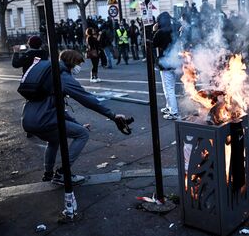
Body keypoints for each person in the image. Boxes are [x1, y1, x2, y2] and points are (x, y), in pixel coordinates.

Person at [22, 50, 130, 184]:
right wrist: (112, 115)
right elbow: (87, 99)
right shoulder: (63, 77)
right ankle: (63, 173)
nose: (79, 67)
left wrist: (76, 124)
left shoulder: (51, 72)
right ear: (72, 62)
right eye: (79, 63)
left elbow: (58, 109)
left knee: (54, 139)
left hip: (29, 119)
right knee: (82, 134)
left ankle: (48, 174)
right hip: (44, 119)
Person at [152, 12, 179, 120]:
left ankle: (174, 112)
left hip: (166, 62)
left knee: (169, 88)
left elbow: (153, 43)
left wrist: (154, 30)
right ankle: (169, 107)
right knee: (168, 87)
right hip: (175, 61)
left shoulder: (160, 32)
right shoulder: (174, 29)